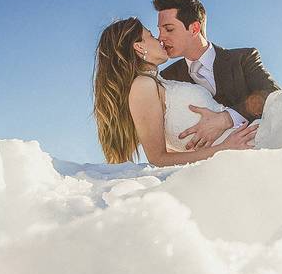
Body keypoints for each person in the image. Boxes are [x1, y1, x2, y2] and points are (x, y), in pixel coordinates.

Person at [92, 17, 258, 167]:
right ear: (139, 46)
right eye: (151, 36)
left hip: (252, 141)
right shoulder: (143, 85)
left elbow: (176, 149)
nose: (160, 40)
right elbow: (158, 158)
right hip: (242, 153)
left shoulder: (160, 83)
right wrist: (224, 149)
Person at [152, 0, 280, 151]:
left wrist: (226, 119)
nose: (160, 38)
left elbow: (272, 94)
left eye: (169, 29)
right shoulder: (167, 77)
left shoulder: (243, 58)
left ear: (194, 28)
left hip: (262, 152)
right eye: (159, 30)